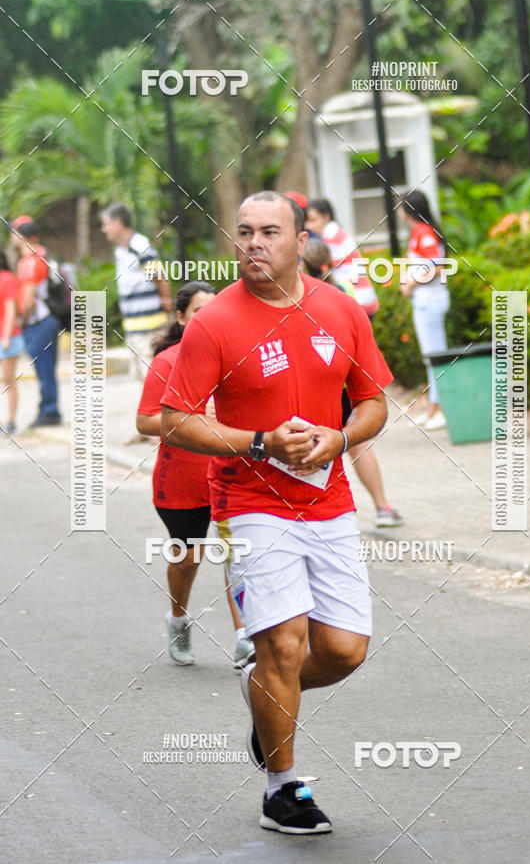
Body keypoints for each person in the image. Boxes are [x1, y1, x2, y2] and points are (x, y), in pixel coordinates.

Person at [161, 191, 393, 835]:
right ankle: (282, 788)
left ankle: (263, 691)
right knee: (283, 645)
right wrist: (259, 442)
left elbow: (373, 402)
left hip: (330, 501)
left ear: (299, 242)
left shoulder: (341, 310)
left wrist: (340, 438)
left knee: (345, 651)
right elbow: (175, 421)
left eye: (269, 232)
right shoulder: (215, 323)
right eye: (243, 233)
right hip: (252, 500)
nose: (254, 244)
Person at [136, 281, 255, 669]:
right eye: (199, 312)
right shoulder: (168, 361)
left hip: (229, 473)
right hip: (182, 482)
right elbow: (144, 421)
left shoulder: (233, 354)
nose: (208, 319)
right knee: (188, 558)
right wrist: (194, 423)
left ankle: (244, 637)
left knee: (234, 555)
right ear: (182, 317)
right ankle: (178, 618)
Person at [301, 240, 402, 528]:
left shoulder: (310, 299)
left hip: (329, 387)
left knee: (322, 446)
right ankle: (383, 507)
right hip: (346, 385)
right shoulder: (343, 291)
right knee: (358, 445)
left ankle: (314, 514)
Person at [100, 203, 172, 381]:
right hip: (133, 327)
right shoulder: (121, 251)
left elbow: (159, 276)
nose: (104, 229)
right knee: (139, 376)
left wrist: (166, 303)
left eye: (106, 224)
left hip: (149, 326)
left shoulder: (139, 245)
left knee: (152, 377)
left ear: (118, 223)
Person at [399, 190, 449, 431]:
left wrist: (410, 283)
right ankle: (434, 408)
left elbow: (437, 266)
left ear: (408, 210)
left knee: (435, 357)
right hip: (427, 300)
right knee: (431, 356)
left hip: (429, 300)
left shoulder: (423, 232)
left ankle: (441, 409)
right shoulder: (421, 231)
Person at [11, 216, 61, 427]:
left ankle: (49, 412)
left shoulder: (29, 261)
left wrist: (20, 320)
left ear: (20, 236)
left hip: (37, 322)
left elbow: (29, 298)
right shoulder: (44, 254)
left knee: (44, 368)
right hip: (50, 319)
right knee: (47, 367)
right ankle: (48, 409)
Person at [305, 198, 379, 318]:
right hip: (362, 297)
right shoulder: (338, 233)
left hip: (355, 299)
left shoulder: (331, 236)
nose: (309, 226)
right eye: (307, 221)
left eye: (313, 220)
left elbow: (316, 262)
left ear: (326, 217)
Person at [0, 249, 26, 435]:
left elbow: (11, 310)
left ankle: (11, 421)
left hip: (7, 338)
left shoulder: (7, 278)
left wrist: (6, 337)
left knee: (9, 380)